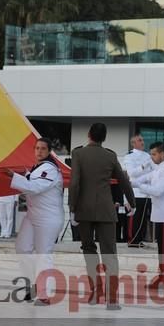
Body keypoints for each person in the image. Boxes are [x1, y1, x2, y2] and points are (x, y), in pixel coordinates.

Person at [68, 123, 135, 309]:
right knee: (110, 254)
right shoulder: (110, 155)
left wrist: (72, 208)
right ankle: (112, 299)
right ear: (104, 138)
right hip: (106, 210)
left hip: (84, 210)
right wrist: (133, 202)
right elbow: (123, 181)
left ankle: (95, 293)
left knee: (89, 251)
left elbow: (74, 184)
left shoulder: (78, 154)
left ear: (89, 134)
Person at [7, 138, 64, 305]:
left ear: (49, 151)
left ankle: (44, 294)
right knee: (22, 248)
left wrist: (15, 176)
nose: (39, 151)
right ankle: (33, 283)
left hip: (48, 218)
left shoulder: (51, 169)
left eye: (43, 149)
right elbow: (32, 180)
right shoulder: (37, 168)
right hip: (33, 215)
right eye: (37, 148)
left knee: (43, 254)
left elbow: (35, 187)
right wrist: (24, 175)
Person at [130, 142, 164, 290]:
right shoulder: (159, 168)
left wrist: (140, 186)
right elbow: (143, 178)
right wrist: (128, 182)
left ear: (162, 154)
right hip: (161, 214)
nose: (152, 157)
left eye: (154, 154)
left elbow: (158, 191)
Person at [123, 135, 153, 247]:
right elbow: (131, 173)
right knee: (135, 218)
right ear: (133, 143)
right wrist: (144, 166)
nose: (142, 142)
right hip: (136, 192)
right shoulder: (129, 156)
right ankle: (132, 240)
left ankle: (140, 240)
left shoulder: (147, 155)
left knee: (143, 219)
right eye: (139, 140)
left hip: (147, 192)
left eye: (142, 139)